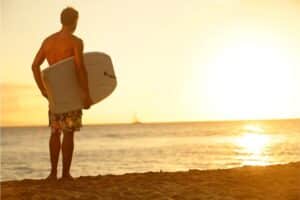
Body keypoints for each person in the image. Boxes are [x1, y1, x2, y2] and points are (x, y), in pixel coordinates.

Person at [31, 7, 93, 181]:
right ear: (74, 21)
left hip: (55, 94)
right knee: (69, 132)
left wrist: (43, 89)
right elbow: (80, 68)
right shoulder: (76, 42)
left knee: (55, 131)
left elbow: (35, 66)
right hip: (71, 93)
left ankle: (52, 173)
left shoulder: (48, 42)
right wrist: (86, 94)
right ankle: (65, 174)